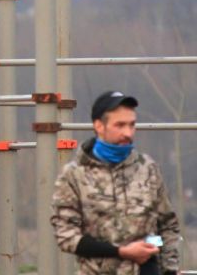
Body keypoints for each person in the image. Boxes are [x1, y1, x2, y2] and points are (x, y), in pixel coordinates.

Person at [51, 91, 181, 275]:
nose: (127, 133)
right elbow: (66, 236)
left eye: (132, 125)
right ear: (99, 126)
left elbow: (167, 225)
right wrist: (121, 252)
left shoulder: (148, 169)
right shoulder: (74, 175)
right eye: (120, 125)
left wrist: (166, 265)